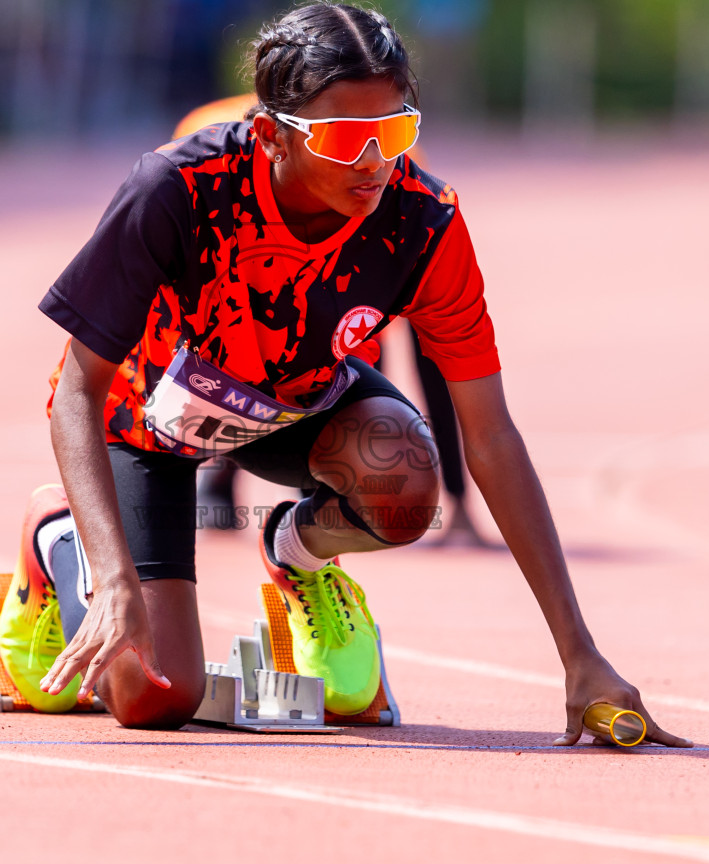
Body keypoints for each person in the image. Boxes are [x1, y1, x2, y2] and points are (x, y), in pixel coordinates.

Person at [0, 0, 688, 747]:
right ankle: (63, 539)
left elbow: (489, 436)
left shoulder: (423, 223)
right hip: (150, 424)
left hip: (294, 407)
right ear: (272, 135)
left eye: (393, 131)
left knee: (404, 482)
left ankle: (294, 551)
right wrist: (116, 579)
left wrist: (578, 654)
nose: (374, 162)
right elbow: (75, 390)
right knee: (157, 696)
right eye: (344, 138)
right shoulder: (175, 189)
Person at [173, 95, 496, 547]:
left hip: (346, 281)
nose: (368, 162)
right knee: (230, 351)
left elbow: (428, 361)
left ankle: (279, 512)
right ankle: (225, 485)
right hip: (253, 293)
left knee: (351, 377)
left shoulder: (394, 170)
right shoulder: (203, 143)